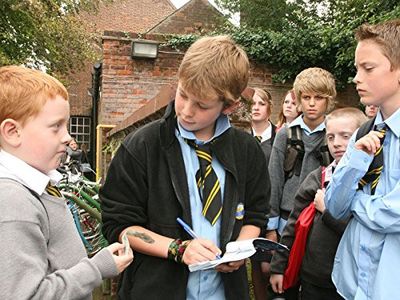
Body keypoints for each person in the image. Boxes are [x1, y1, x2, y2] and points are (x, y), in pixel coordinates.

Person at [100, 35, 270, 300]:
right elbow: (118, 223)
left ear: (230, 106)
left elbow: (256, 214)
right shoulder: (143, 146)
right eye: (182, 95)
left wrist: (240, 248)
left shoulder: (248, 151)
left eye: (202, 105)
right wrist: (177, 249)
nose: (186, 111)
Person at [0, 65, 133, 299]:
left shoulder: (35, 187)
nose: (67, 137)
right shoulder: (13, 201)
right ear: (12, 132)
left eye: (67, 125)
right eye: (55, 127)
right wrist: (97, 268)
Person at [325, 19, 400, 300]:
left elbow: (394, 215)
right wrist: (355, 160)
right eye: (357, 68)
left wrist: (355, 203)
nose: (356, 77)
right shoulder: (364, 132)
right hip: (351, 282)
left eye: (368, 68)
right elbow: (334, 206)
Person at [269, 108, 367, 300]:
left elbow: (359, 232)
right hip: (313, 278)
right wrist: (278, 267)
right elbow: (292, 225)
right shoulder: (317, 179)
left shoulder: (369, 182)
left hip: (352, 281)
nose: (336, 143)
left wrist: (327, 212)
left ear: (361, 136)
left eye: (345, 136)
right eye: (330, 137)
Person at [266, 67, 336, 299]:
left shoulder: (337, 135)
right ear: (298, 100)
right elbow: (274, 180)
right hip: (288, 219)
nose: (312, 104)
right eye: (306, 97)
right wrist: (271, 227)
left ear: (329, 100)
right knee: (284, 281)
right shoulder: (286, 134)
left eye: (319, 98)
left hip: (322, 218)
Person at [249, 87, 276, 300]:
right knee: (255, 266)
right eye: (252, 104)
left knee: (269, 267)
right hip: (246, 208)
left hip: (270, 208)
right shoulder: (240, 137)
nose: (256, 108)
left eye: (261, 103)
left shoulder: (278, 138)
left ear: (269, 108)